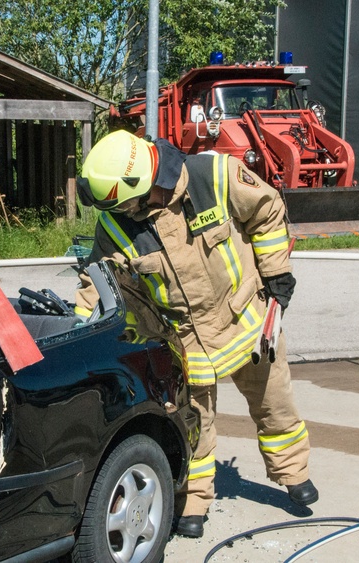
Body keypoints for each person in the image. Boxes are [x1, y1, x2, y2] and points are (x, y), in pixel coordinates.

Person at [73, 130, 317, 539]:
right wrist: (78, 327)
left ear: (145, 185)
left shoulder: (214, 176)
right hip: (188, 341)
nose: (122, 213)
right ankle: (195, 501)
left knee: (275, 405)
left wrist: (276, 274)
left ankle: (293, 474)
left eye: (125, 203)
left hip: (248, 322)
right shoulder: (115, 226)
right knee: (194, 426)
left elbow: (267, 210)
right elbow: (97, 284)